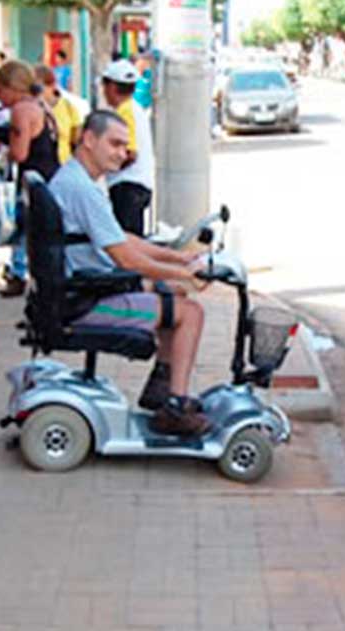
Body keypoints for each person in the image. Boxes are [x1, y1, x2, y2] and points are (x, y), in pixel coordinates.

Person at [49, 110, 211, 436]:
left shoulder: (78, 180)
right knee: (190, 312)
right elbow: (126, 258)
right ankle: (176, 407)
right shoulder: (82, 190)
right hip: (85, 301)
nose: (123, 153)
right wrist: (186, 275)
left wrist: (178, 259)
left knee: (173, 294)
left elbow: (122, 238)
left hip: (84, 287)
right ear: (89, 139)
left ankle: (161, 389)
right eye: (115, 144)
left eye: (125, 146)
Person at [0, 60, 60, 298]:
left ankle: (34, 290)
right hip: (50, 179)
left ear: (12, 87)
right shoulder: (43, 106)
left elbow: (20, 153)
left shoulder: (21, 111)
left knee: (33, 241)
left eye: (0, 89)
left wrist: (1, 149)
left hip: (35, 183)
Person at [101, 59, 155, 237]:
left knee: (127, 242)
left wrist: (106, 166)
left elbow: (130, 153)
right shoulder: (134, 109)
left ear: (111, 87)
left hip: (128, 186)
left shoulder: (125, 111)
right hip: (137, 185)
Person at [33, 64, 81, 164]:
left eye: (39, 87)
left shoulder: (68, 107)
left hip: (63, 166)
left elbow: (77, 141)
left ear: (52, 85)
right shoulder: (31, 108)